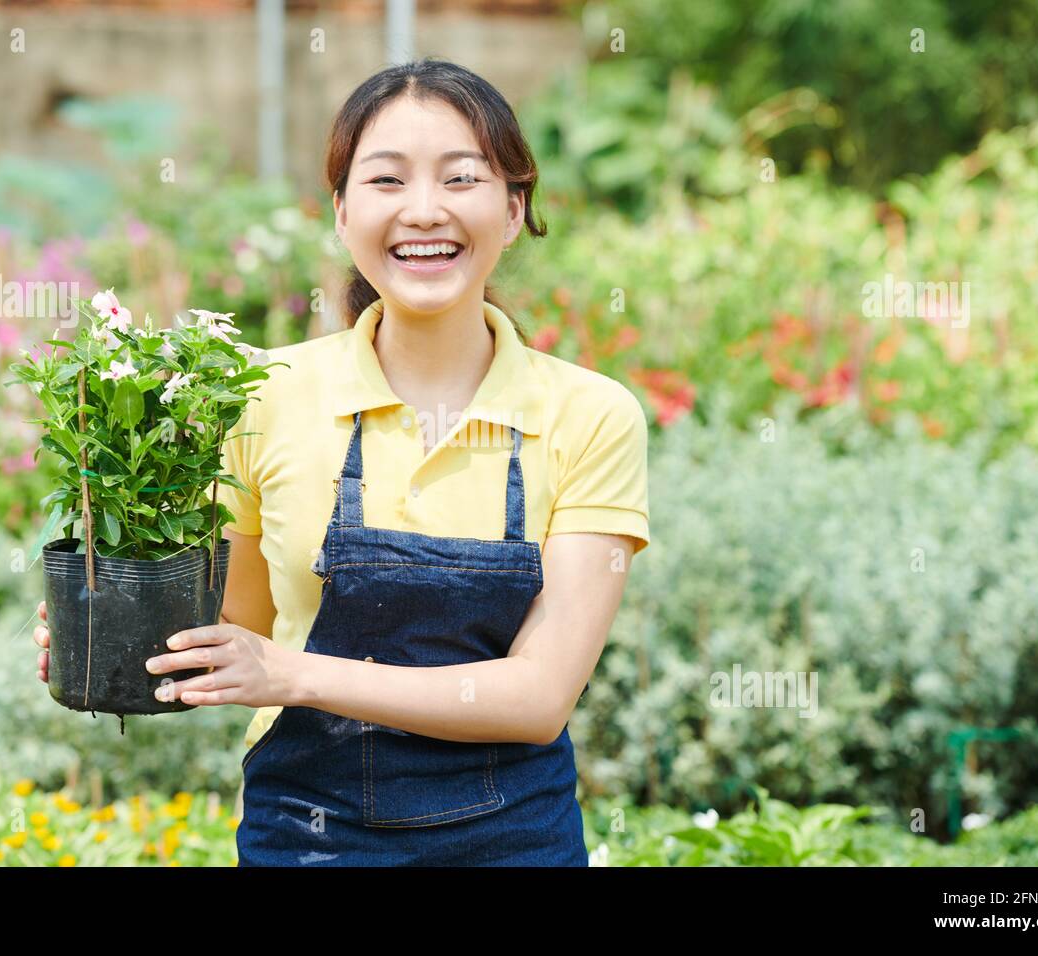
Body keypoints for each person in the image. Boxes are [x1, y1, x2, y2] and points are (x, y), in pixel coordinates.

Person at [34, 57, 650, 866]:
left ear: (512, 208)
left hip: (514, 844)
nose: (423, 211)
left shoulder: (590, 415)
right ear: (340, 212)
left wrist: (297, 675)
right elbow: (245, 628)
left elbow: (538, 697)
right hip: (307, 840)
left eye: (461, 177)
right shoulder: (266, 395)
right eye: (387, 180)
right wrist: (111, 627)